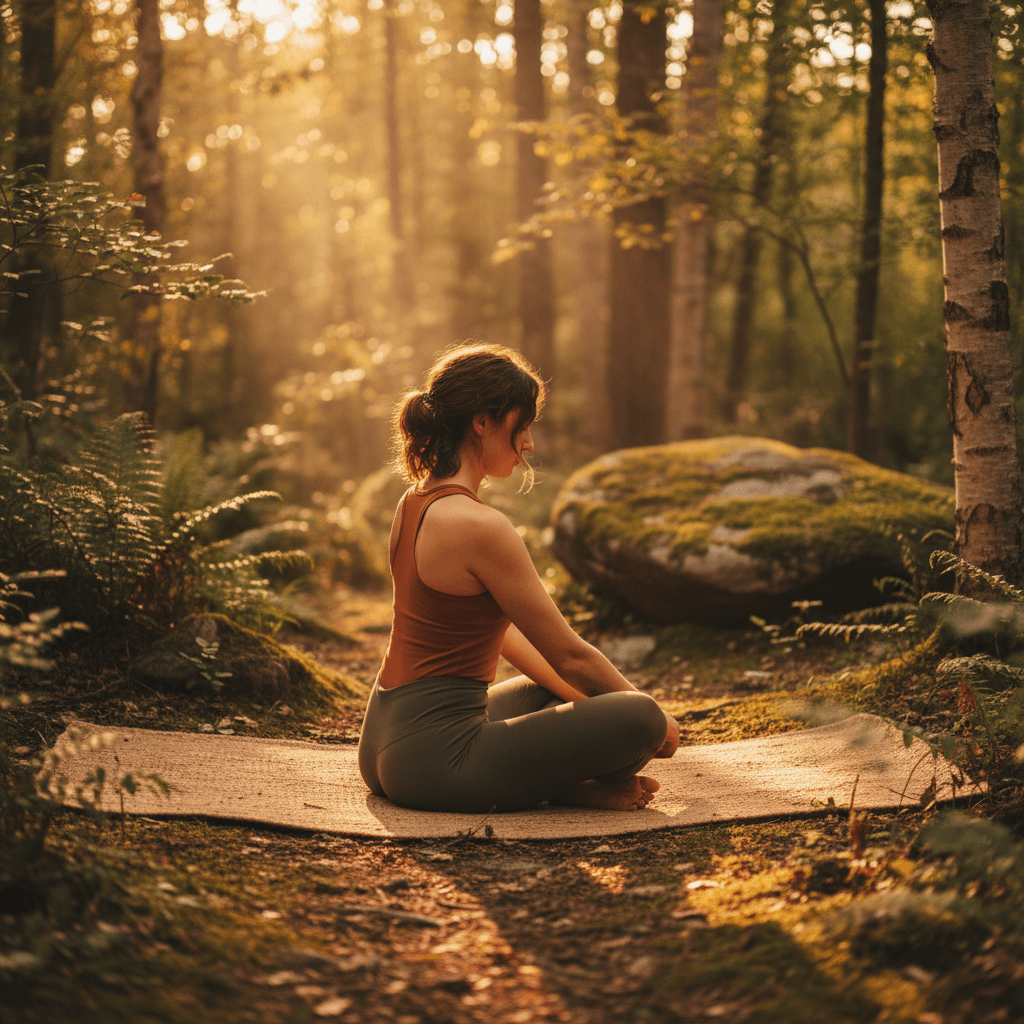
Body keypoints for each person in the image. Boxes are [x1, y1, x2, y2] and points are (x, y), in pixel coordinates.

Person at [357, 343, 679, 814]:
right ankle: (564, 783)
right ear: (483, 422)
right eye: (521, 426)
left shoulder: (412, 504)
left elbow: (507, 638)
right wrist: (657, 723)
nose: (528, 444)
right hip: (437, 763)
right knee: (640, 716)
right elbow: (571, 655)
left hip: (382, 741)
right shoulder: (481, 526)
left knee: (559, 692)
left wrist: (587, 703)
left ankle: (566, 785)